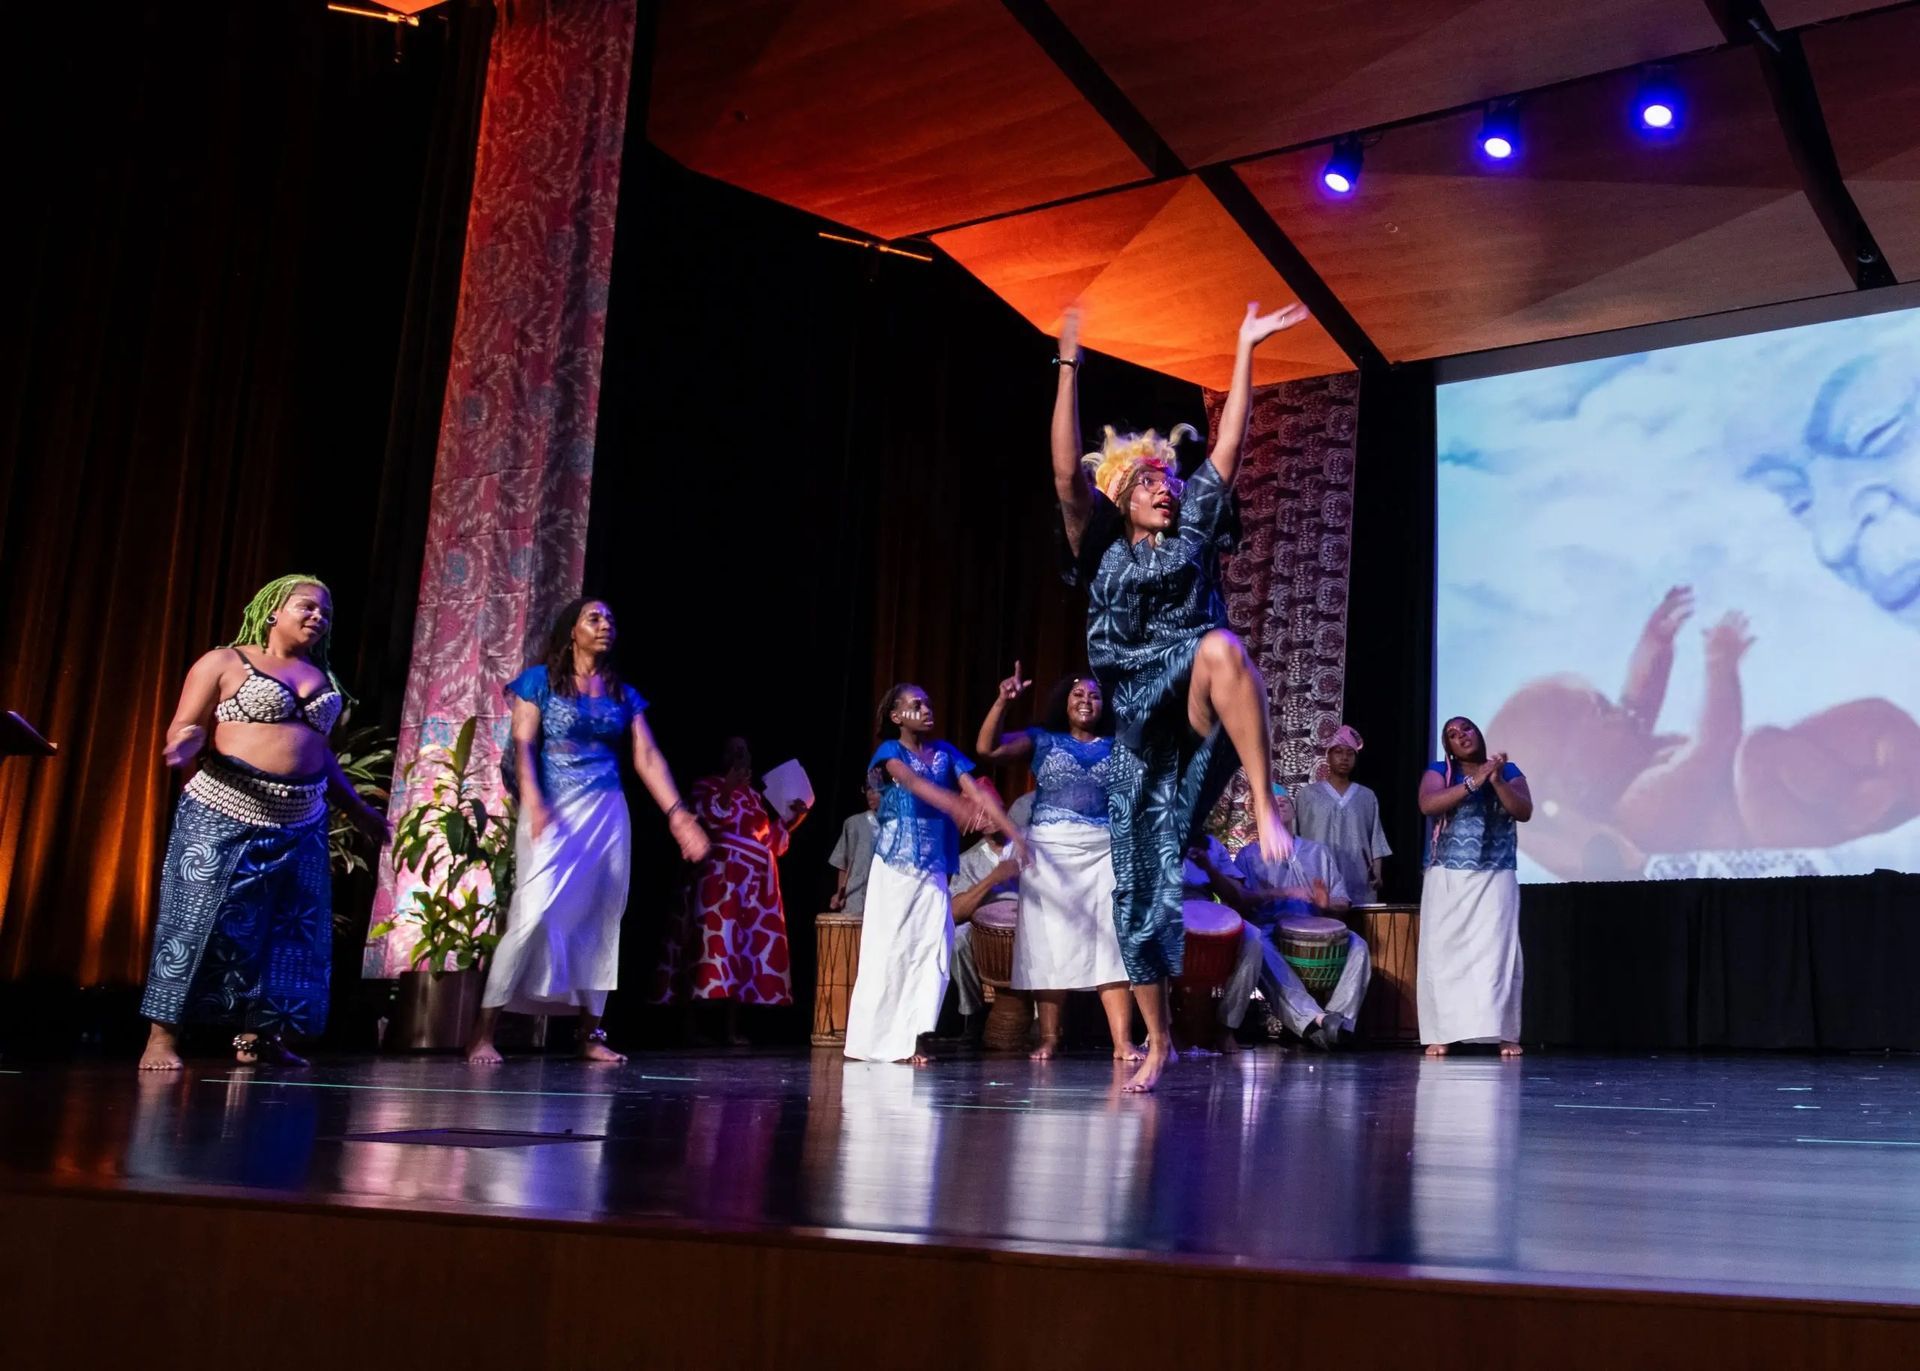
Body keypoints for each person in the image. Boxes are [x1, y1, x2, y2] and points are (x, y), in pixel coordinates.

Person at [1052, 300, 1308, 1091]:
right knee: (1143, 891)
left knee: (1225, 647)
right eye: (1153, 485)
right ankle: (1156, 1040)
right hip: (1137, 729)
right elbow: (1066, 474)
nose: (1169, 492)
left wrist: (1242, 346)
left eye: (1171, 483)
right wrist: (1069, 364)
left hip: (1192, 701)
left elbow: (1230, 442)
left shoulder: (1194, 529)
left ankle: (1264, 800)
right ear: (1125, 495)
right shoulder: (1098, 549)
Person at [1488, 587, 1920, 879]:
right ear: (1575, 783)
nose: (1618, 710)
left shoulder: (1628, 757)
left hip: (1781, 797)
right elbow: (1715, 747)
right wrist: (1720, 666)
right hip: (1773, 830)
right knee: (1760, 750)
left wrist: (1655, 644)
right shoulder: (1641, 809)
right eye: (1600, 711)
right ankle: (1853, 806)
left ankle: (1891, 784)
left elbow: (1637, 702)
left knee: (1870, 721)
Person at [139, 575, 389, 1071]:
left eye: (326, 613)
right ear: (274, 610)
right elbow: (185, 724)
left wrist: (357, 809)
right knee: (193, 925)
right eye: (307, 607)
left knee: (289, 934)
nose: (318, 617)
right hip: (223, 807)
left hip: (302, 818)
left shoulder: (323, 677)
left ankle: (260, 1037)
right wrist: (185, 744)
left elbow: (320, 752)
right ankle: (161, 1038)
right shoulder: (226, 662)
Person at [465, 598, 709, 1065]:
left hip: (607, 813)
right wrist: (533, 801)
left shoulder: (622, 692)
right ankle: (483, 1032)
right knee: (532, 912)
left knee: (601, 918)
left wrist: (678, 814)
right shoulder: (538, 682)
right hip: (553, 809)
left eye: (611, 620)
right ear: (570, 630)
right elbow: (523, 743)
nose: (605, 626)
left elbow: (647, 757)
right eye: (594, 618)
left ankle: (590, 1033)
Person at [843, 684, 1027, 1065]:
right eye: (915, 704)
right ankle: (874, 1039)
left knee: (932, 952)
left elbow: (979, 793)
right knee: (890, 950)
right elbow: (912, 783)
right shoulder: (889, 752)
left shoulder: (946, 753)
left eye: (927, 701)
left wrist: (1014, 835)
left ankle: (913, 1037)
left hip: (934, 869)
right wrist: (955, 806)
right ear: (896, 717)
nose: (926, 708)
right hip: (896, 865)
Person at [976, 665, 1138, 1062]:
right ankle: (1048, 1037)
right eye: (1078, 695)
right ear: (1064, 703)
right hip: (1049, 851)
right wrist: (1002, 701)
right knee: (1051, 945)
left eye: (1095, 696)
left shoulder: (1119, 746)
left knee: (1111, 944)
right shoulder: (1043, 740)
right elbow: (987, 750)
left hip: (1103, 849)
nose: (1086, 701)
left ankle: (1122, 1042)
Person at [656, 736, 807, 1044]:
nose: (740, 754)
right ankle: (691, 1027)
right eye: (733, 749)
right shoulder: (707, 785)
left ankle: (731, 1029)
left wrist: (793, 820)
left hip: (753, 885)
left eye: (745, 750)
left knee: (742, 953)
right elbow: (708, 817)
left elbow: (771, 843)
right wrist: (727, 786)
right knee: (709, 948)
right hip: (719, 880)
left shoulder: (755, 798)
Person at [1197, 787, 1372, 1051]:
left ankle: (1338, 1024)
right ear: (1257, 813)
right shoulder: (1248, 856)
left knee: (1358, 945)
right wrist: (1279, 893)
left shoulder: (1318, 852)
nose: (1280, 803)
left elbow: (1341, 901)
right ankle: (1316, 1021)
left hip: (1317, 928)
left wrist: (1327, 904)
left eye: (1284, 800)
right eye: (1272, 801)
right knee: (1257, 943)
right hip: (1269, 927)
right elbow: (1242, 900)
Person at [1417, 715, 1531, 1058]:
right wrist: (1472, 782)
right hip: (1447, 875)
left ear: (1477, 733)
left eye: (1465, 728)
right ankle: (1442, 1032)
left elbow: (1523, 810)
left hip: (1496, 873)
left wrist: (1494, 780)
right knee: (1444, 955)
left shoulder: (1507, 772)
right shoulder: (1440, 771)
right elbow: (1428, 804)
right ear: (1447, 746)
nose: (1460, 735)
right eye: (1451, 734)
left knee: (1497, 954)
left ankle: (1504, 1032)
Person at [1293, 724, 1391, 902]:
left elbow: (1375, 839)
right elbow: (1294, 838)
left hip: (1358, 881)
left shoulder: (1366, 796)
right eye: (1338, 752)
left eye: (1350, 753)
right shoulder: (1307, 795)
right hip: (1316, 880)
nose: (1344, 758)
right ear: (1328, 757)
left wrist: (1377, 872)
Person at [827, 782, 882, 914]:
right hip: (856, 901)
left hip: (885, 901)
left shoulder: (898, 825)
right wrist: (839, 894)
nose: (870, 794)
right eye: (867, 789)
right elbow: (843, 864)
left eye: (876, 789)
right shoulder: (853, 824)